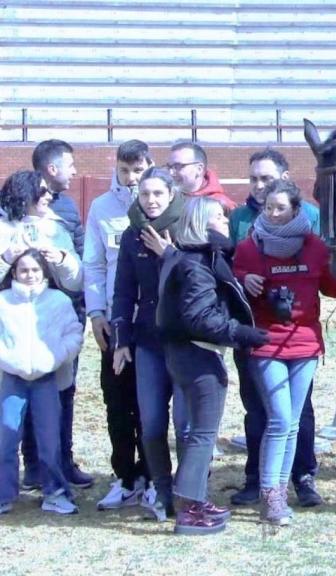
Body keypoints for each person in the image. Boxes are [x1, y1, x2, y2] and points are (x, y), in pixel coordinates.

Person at [233, 179, 336, 524]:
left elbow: (332, 288)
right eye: (268, 207)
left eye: (280, 208)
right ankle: (270, 495)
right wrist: (244, 282)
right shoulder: (248, 248)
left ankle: (279, 492)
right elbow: (231, 284)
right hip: (266, 343)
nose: (272, 214)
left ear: (296, 211)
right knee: (280, 419)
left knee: (291, 423)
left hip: (304, 344)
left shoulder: (315, 247)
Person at [157, 197, 269, 535]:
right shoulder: (195, 264)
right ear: (202, 224)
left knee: (200, 433)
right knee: (203, 434)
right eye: (219, 216)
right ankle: (189, 509)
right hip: (197, 354)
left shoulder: (199, 258)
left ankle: (195, 500)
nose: (226, 220)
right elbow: (200, 318)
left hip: (190, 353)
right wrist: (245, 334)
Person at [227, 149, 324, 508]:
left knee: (296, 415)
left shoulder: (312, 223)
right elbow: (230, 266)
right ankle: (261, 483)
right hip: (257, 333)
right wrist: (243, 279)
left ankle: (302, 476)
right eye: (253, 179)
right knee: (260, 409)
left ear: (284, 179)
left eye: (265, 179)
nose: (258, 187)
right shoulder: (240, 220)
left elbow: (329, 275)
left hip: (302, 340)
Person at [110, 166, 188, 521]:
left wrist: (171, 254)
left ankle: (189, 492)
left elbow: (204, 280)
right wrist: (121, 339)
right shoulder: (131, 235)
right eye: (145, 194)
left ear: (171, 194)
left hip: (188, 341)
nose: (151, 200)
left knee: (187, 426)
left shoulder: (188, 226)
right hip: (147, 341)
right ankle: (161, 487)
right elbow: (124, 290)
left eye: (158, 193)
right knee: (152, 422)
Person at [84, 139, 153, 511]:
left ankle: (155, 476)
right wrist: (96, 313)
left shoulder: (160, 204)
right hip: (116, 322)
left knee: (153, 406)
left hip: (153, 322)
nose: (130, 178)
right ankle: (125, 477)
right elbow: (94, 265)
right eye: (125, 170)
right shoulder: (101, 207)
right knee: (117, 403)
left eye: (138, 170)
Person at [24, 140, 93, 490]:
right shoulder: (14, 210)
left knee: (64, 391)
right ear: (51, 169)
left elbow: (80, 260)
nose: (75, 171)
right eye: (69, 164)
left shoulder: (65, 210)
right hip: (25, 318)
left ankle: (63, 460)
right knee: (25, 385)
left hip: (64, 313)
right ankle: (34, 463)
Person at [0, 249, 83, 515]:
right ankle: (4, 494)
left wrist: (54, 357)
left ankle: (55, 492)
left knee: (49, 439)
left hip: (47, 379)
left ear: (44, 272)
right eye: (23, 270)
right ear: (14, 273)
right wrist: (9, 359)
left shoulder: (58, 301)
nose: (30, 275)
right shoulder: (3, 302)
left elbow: (74, 335)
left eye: (35, 270)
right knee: (7, 436)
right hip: (12, 378)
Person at [165, 141, 236, 213]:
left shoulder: (222, 205)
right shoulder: (165, 201)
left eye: (178, 166)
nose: (171, 172)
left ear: (199, 169)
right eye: (169, 167)